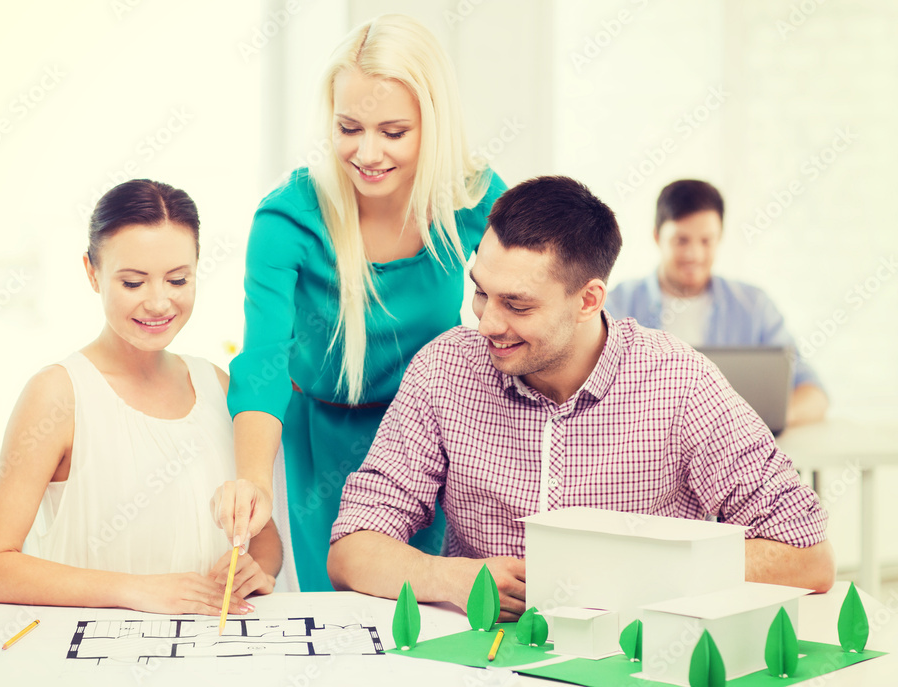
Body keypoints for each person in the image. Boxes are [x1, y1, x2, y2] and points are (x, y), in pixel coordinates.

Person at [327, 176, 835, 619]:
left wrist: (633, 570)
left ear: (589, 300)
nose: (487, 323)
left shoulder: (679, 383)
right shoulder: (444, 369)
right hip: (478, 657)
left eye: (518, 305)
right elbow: (352, 550)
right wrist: (448, 577)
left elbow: (808, 560)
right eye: (481, 291)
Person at [214, 14, 507, 591]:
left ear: (433, 124)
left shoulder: (473, 197)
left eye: (393, 132)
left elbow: (537, 290)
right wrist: (252, 480)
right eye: (349, 128)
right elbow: (263, 361)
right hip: (316, 443)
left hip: (428, 439)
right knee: (332, 615)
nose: (367, 153)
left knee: (430, 606)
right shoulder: (286, 218)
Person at [0, 179, 281, 615]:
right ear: (92, 273)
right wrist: (140, 591)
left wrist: (255, 569)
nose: (158, 302)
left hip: (208, 656)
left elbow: (265, 543)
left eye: (177, 279)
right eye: (133, 282)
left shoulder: (216, 384)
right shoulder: (58, 395)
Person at [605, 179, 828, 427]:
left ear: (719, 238)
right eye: (681, 240)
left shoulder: (753, 306)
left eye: (706, 241)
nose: (694, 255)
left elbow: (813, 393)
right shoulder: (616, 305)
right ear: (657, 237)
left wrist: (757, 421)